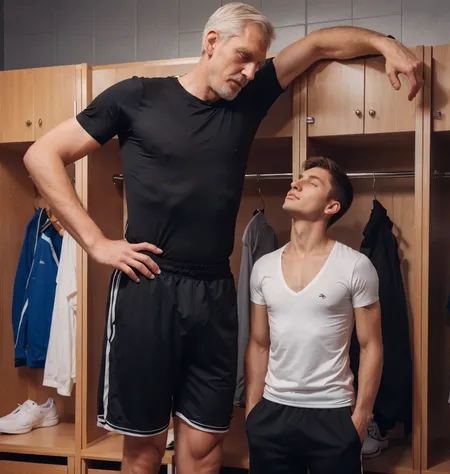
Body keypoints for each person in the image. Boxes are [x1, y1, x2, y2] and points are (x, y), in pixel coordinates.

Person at [23, 2, 421, 473]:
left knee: (207, 449)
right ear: (212, 42)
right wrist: (95, 242)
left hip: (214, 290)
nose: (251, 73)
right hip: (148, 286)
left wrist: (385, 44)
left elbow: (316, 45)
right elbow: (42, 154)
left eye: (258, 63)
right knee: (144, 453)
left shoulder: (245, 100)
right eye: (244, 57)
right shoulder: (136, 97)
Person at [245, 156, 383, 473]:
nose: (296, 183)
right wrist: (253, 410)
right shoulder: (263, 267)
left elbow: (371, 345)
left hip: (332, 414)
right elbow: (258, 343)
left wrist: (361, 417)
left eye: (312, 182)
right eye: (298, 178)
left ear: (331, 206)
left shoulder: (355, 266)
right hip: (272, 413)